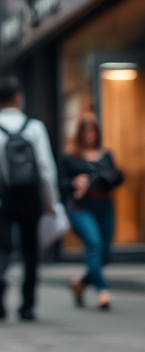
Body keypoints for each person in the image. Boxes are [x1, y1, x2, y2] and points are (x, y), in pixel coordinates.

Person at [0, 76, 58, 322]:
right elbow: (45, 168)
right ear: (18, 97)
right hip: (30, 196)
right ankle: (27, 305)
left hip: (3, 197)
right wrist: (51, 201)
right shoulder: (35, 127)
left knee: (3, 246)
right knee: (31, 250)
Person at [60, 113, 124, 311]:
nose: (90, 134)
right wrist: (74, 182)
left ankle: (81, 283)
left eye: (93, 129)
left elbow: (119, 177)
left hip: (105, 206)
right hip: (81, 208)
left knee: (104, 254)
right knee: (94, 244)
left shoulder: (106, 154)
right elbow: (59, 183)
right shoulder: (70, 156)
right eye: (86, 130)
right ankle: (103, 291)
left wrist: (109, 177)